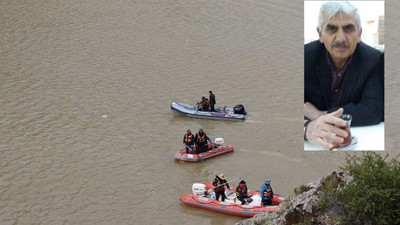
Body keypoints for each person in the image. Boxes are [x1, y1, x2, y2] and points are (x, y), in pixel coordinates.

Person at [304, 1, 384, 149]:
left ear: (359, 33)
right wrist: (305, 128)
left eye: (348, 28)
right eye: (332, 29)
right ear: (320, 34)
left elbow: (373, 110)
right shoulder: (303, 57)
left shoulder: (373, 60)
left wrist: (320, 115)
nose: (341, 38)